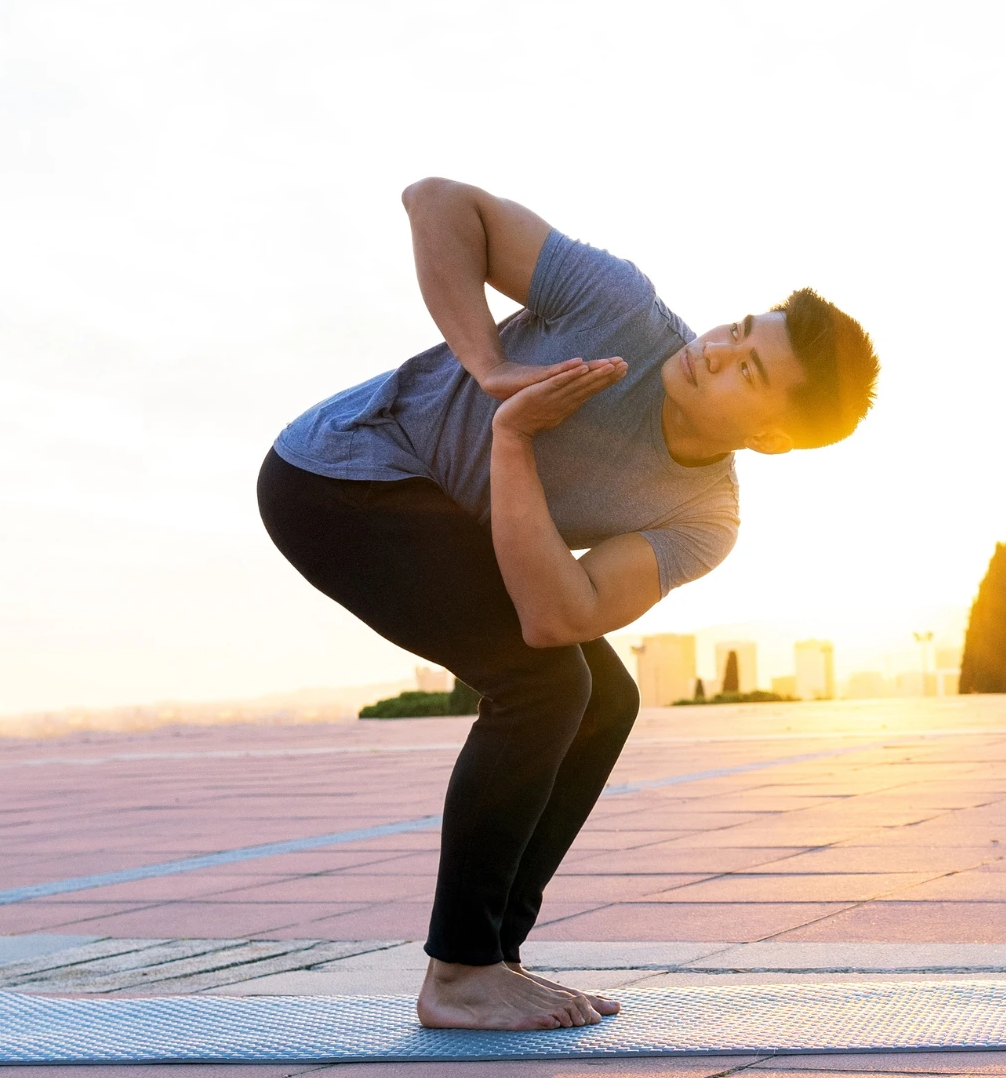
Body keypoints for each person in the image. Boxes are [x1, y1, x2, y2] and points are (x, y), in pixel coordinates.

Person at [256, 178, 879, 1030]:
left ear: (771, 435)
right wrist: (489, 368)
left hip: (451, 511)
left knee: (602, 696)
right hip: (339, 475)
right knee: (544, 688)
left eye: (749, 369)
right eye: (738, 330)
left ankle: (494, 958)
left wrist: (511, 440)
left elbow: (561, 614)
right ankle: (463, 973)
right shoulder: (618, 308)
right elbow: (435, 201)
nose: (716, 350)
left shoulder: (703, 517)